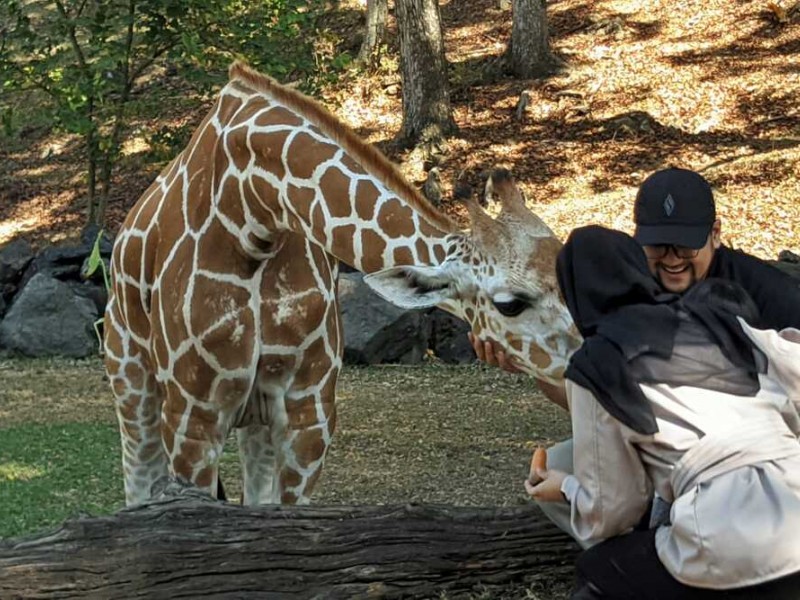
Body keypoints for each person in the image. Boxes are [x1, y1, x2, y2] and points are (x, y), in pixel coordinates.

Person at [470, 166, 800, 539]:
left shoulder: (771, 296)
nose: (672, 258)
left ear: (717, 234)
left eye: (685, 244)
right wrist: (528, 363)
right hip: (673, 451)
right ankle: (652, 546)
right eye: (658, 246)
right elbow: (598, 405)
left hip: (764, 458)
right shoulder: (627, 297)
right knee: (563, 462)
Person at [527, 225, 800, 599]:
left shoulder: (595, 365)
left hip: (733, 539)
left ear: (573, 292)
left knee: (599, 570)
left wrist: (567, 487)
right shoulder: (714, 320)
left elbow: (613, 512)